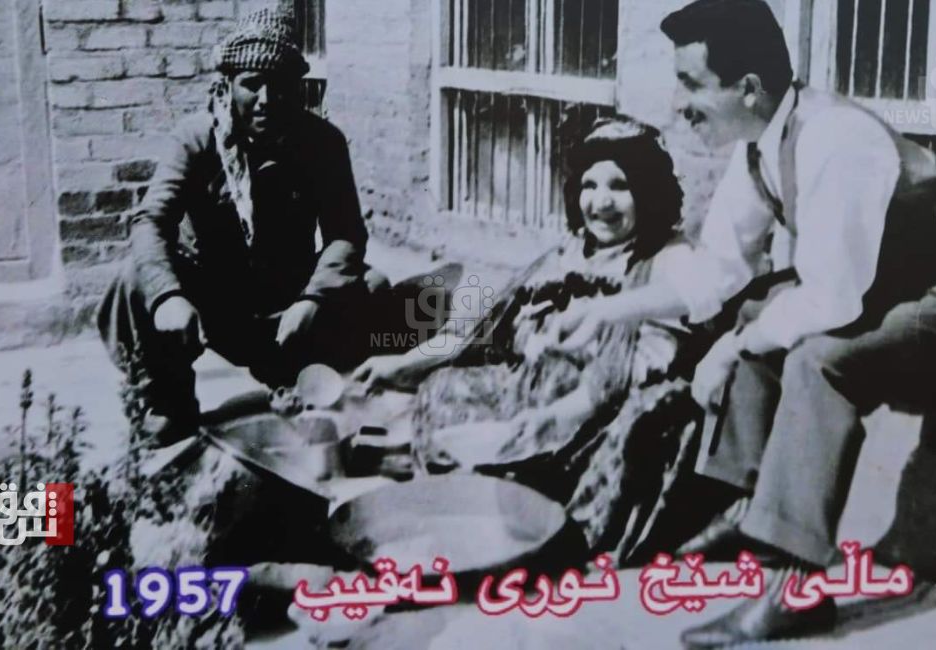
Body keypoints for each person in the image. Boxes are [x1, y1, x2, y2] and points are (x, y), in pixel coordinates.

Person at [552, 0, 936, 645]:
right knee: (757, 308)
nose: (679, 104)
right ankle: (753, 512)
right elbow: (716, 273)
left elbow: (832, 302)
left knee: (820, 360)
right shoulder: (759, 148)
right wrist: (605, 309)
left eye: (692, 84)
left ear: (749, 88)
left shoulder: (833, 141)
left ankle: (794, 583)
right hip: (905, 274)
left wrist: (731, 348)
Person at [353, 118, 721, 559]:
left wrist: (554, 414)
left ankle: (537, 524)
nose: (601, 201)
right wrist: (401, 364)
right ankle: (469, 504)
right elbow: (483, 332)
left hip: (592, 412)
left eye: (620, 186)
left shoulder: (670, 259)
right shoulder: (567, 253)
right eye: (589, 185)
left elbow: (644, 364)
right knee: (441, 389)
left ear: (649, 191)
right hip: (529, 392)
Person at [98, 8, 386, 445]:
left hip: (289, 308)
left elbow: (346, 234)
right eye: (252, 84)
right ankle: (165, 407)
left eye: (280, 85)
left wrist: (312, 299)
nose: (267, 99)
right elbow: (150, 221)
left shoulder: (322, 142)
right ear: (229, 86)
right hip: (216, 307)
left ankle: (317, 389)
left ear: (297, 88)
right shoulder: (196, 138)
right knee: (137, 278)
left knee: (373, 286)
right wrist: (169, 297)